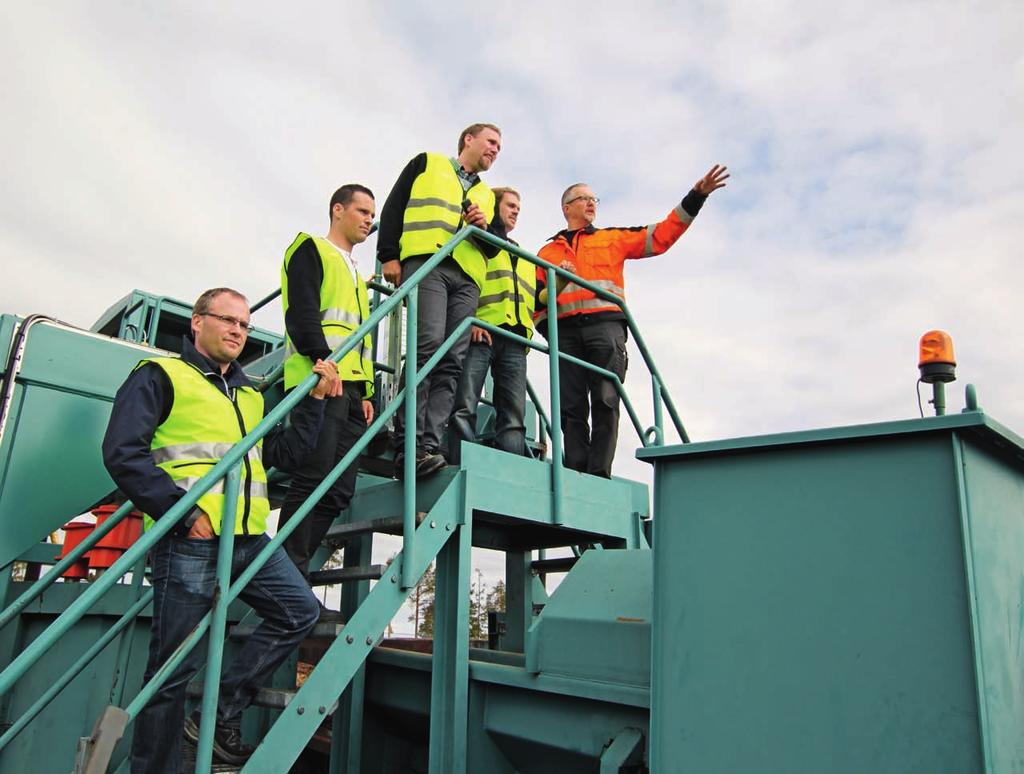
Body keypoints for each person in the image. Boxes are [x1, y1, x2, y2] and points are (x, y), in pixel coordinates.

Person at [102, 287, 341, 772]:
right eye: (228, 320)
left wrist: (314, 403)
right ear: (197, 322)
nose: (238, 331)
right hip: (189, 541)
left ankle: (220, 711)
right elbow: (122, 452)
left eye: (245, 325)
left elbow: (284, 456)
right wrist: (185, 514)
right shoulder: (161, 375)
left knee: (298, 611)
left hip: (249, 539)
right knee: (172, 672)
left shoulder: (249, 393)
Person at [536, 165, 729, 478]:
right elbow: (538, 301)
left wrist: (697, 196)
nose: (591, 203)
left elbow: (662, 235)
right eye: (583, 198)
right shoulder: (547, 252)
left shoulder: (613, 238)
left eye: (594, 199)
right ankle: (573, 471)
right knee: (570, 407)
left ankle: (598, 473)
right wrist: (549, 332)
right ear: (566, 207)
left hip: (605, 328)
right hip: (566, 333)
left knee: (606, 400)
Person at [377, 123, 503, 478]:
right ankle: (409, 446)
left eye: (499, 147)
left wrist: (484, 227)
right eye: (491, 142)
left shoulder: (488, 196)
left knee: (452, 360)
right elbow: (394, 206)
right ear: (469, 139)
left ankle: (429, 446)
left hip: (467, 279)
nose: (495, 150)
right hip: (428, 262)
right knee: (427, 348)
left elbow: (495, 247)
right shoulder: (427, 163)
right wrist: (389, 254)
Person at [277, 185, 376, 618]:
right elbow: (301, 312)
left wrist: (368, 391)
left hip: (352, 389)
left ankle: (286, 569)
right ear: (338, 210)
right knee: (313, 478)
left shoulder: (356, 271)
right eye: (361, 210)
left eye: (372, 214)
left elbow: (361, 336)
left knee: (339, 491)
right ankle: (286, 572)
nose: (369, 220)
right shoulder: (309, 248)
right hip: (318, 382)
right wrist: (322, 361)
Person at [448, 187, 535, 461]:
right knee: (465, 402)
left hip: (516, 339)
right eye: (510, 205)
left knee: (513, 412)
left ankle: (511, 467)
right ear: (494, 207)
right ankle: (461, 461)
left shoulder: (523, 255)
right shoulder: (478, 240)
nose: (515, 211)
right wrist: (471, 321)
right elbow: (466, 282)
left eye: (518, 208)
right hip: (481, 332)